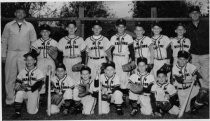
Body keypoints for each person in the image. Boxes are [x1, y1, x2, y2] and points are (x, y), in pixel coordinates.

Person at [1, 7, 37, 105]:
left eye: (22, 12)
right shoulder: (8, 25)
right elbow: (3, 40)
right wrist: (3, 55)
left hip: (25, 53)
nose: (20, 14)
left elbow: (34, 41)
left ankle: (26, 98)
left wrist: (32, 55)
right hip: (11, 52)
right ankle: (10, 99)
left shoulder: (29, 26)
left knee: (25, 76)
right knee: (9, 76)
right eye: (18, 12)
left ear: (25, 15)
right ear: (15, 13)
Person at [12, 50, 44, 119]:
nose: (29, 61)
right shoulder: (22, 71)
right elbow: (18, 81)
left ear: (35, 61)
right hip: (24, 90)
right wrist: (17, 85)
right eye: (27, 60)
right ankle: (17, 112)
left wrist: (30, 88)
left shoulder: (38, 71)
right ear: (25, 61)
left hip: (33, 91)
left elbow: (40, 83)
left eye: (31, 59)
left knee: (32, 112)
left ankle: (32, 101)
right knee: (19, 93)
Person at [186, 6, 209, 90]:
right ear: (190, 15)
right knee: (196, 77)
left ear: (199, 14)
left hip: (206, 54)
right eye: (193, 13)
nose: (194, 14)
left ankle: (207, 98)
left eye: (196, 13)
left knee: (206, 76)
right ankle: (199, 97)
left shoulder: (207, 25)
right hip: (194, 55)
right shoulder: (188, 27)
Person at [31, 24, 58, 94]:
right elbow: (32, 55)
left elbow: (57, 55)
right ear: (40, 33)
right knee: (40, 78)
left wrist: (54, 53)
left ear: (49, 33)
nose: (45, 33)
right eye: (43, 31)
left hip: (50, 60)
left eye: (47, 31)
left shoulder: (54, 42)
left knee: (51, 78)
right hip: (40, 61)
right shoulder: (36, 43)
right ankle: (40, 95)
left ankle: (50, 94)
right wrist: (35, 53)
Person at [110, 18, 135, 90]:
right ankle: (117, 91)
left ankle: (124, 93)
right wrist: (110, 60)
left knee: (125, 76)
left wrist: (133, 60)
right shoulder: (113, 37)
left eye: (122, 27)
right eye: (119, 26)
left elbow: (131, 50)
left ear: (125, 27)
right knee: (116, 74)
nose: (120, 28)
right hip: (115, 57)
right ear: (116, 27)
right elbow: (111, 50)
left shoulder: (128, 37)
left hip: (125, 58)